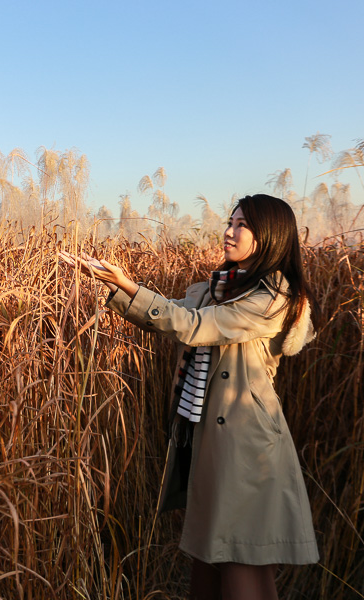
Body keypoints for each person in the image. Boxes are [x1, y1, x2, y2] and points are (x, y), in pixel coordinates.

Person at [62, 194, 320, 600]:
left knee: (240, 555)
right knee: (214, 549)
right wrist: (115, 285)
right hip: (214, 435)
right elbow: (172, 318)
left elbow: (192, 325)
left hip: (247, 443)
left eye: (241, 226)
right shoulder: (219, 288)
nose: (229, 232)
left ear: (269, 236)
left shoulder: (271, 299)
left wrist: (128, 284)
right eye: (229, 222)